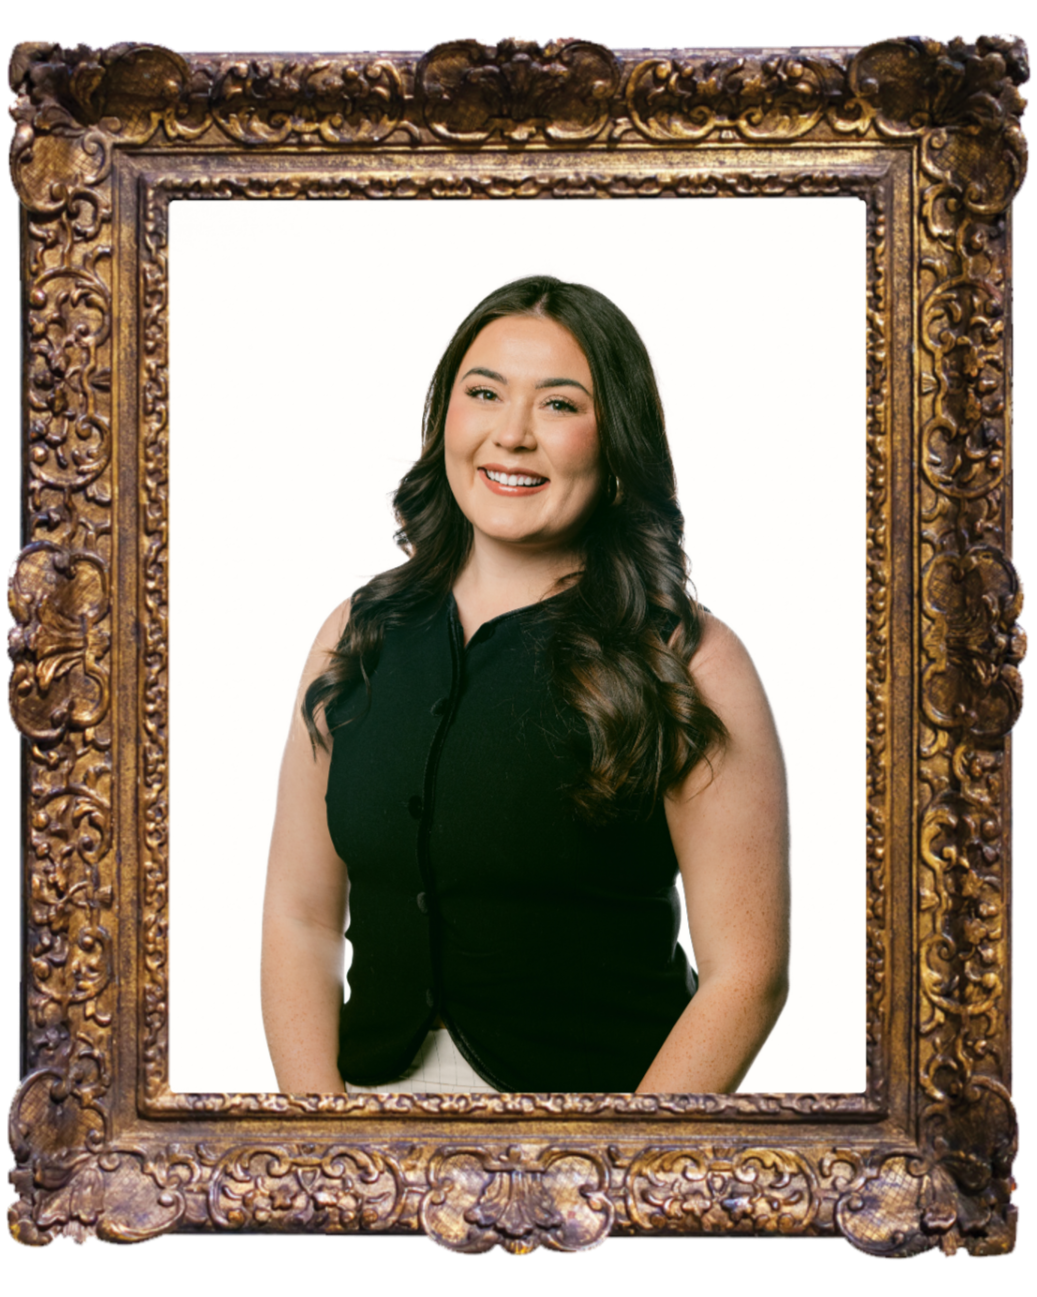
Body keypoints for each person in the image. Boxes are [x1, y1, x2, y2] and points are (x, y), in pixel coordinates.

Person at [260, 275, 789, 1096]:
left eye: (559, 404)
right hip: (366, 1122)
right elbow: (299, 914)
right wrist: (319, 1135)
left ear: (616, 442)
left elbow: (745, 974)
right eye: (484, 393)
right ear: (445, 417)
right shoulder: (355, 635)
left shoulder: (687, 660)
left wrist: (620, 1158)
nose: (510, 434)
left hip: (598, 1128)